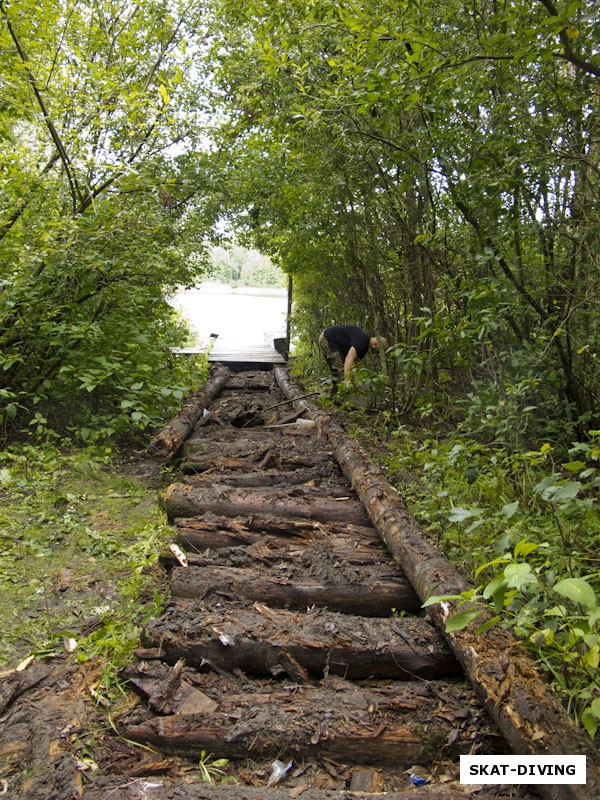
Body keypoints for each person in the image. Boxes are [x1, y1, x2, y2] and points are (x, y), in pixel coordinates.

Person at [318, 324, 388, 389]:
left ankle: (335, 399)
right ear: (375, 344)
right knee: (340, 372)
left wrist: (354, 381)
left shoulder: (364, 347)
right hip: (328, 338)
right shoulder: (362, 340)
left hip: (331, 340)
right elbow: (349, 358)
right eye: (378, 350)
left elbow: (353, 363)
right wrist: (347, 379)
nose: (376, 353)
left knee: (338, 372)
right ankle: (337, 399)